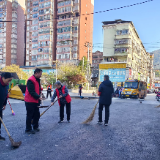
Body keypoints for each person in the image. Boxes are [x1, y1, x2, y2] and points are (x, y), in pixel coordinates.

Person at [25, 68, 42, 134]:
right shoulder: (30, 80)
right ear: (36, 73)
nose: (41, 75)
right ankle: (28, 129)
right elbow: (31, 91)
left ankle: (35, 126)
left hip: (35, 101)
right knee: (29, 115)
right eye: (40, 74)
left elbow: (37, 89)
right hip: (30, 101)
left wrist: (40, 93)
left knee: (36, 115)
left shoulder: (37, 80)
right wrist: (38, 97)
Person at [0, 72, 13, 141]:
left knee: (0, 121)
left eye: (10, 80)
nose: (9, 82)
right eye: (8, 80)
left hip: (0, 105)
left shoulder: (6, 85)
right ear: (3, 78)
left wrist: (4, 104)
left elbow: (5, 95)